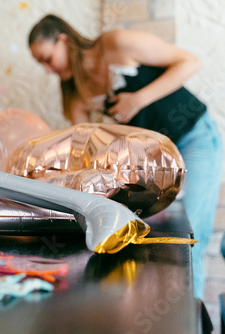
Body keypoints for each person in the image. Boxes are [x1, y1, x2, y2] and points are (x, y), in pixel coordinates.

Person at [28, 14, 222, 299]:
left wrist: (137, 99)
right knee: (161, 238)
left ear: (63, 39)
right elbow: (81, 148)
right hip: (157, 162)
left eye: (47, 58)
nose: (47, 69)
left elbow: (191, 62)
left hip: (194, 137)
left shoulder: (115, 43)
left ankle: (191, 322)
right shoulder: (76, 93)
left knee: (189, 240)